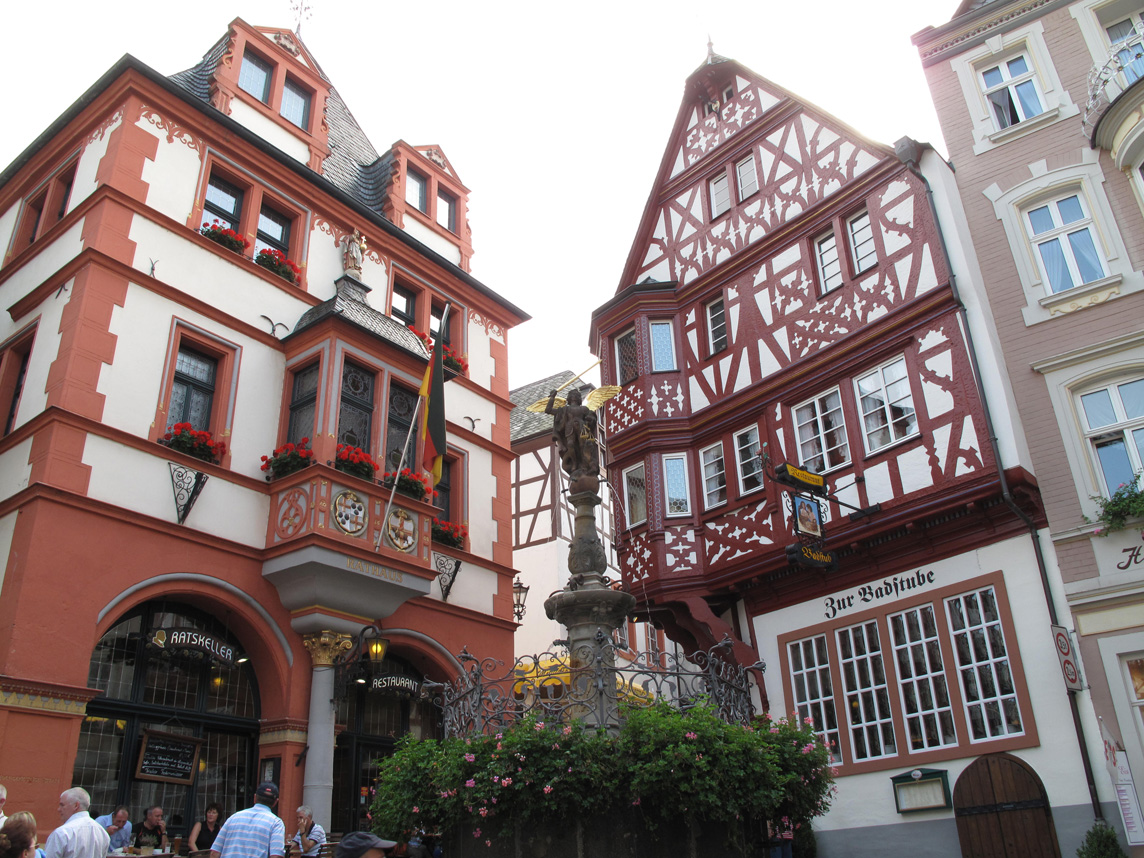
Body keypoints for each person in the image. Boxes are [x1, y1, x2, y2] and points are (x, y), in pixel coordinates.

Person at [209, 783, 284, 858]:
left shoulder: (233, 818)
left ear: (255, 798)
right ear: (275, 802)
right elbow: (276, 856)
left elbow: (215, 853)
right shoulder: (276, 823)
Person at [546, 388, 599, 487]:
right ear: (569, 399)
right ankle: (574, 463)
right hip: (569, 428)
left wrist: (590, 419)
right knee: (570, 445)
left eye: (576, 396)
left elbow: (592, 418)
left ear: (579, 399)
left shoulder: (584, 409)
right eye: (572, 396)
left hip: (581, 428)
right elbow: (548, 410)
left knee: (582, 446)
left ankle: (584, 464)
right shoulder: (564, 409)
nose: (574, 397)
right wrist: (552, 397)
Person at [44, 788, 110, 858]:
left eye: (62, 805)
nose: (59, 809)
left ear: (76, 805)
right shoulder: (102, 833)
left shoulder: (62, 833)